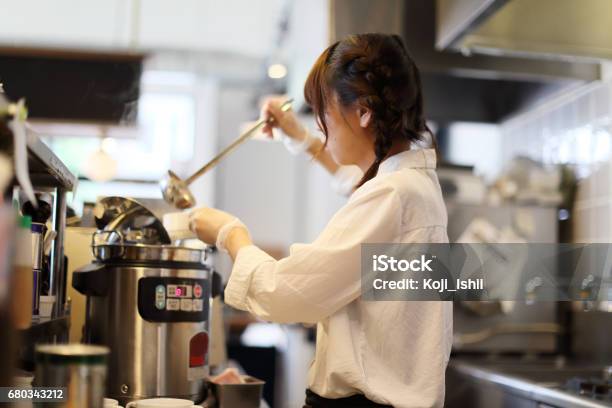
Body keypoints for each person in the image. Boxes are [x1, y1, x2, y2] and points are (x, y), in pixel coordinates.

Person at [189, 33, 452, 408]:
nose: (319, 126)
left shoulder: (394, 195)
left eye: (322, 111)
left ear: (363, 111)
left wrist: (231, 235)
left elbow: (284, 295)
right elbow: (357, 185)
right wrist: (302, 140)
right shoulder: (414, 185)